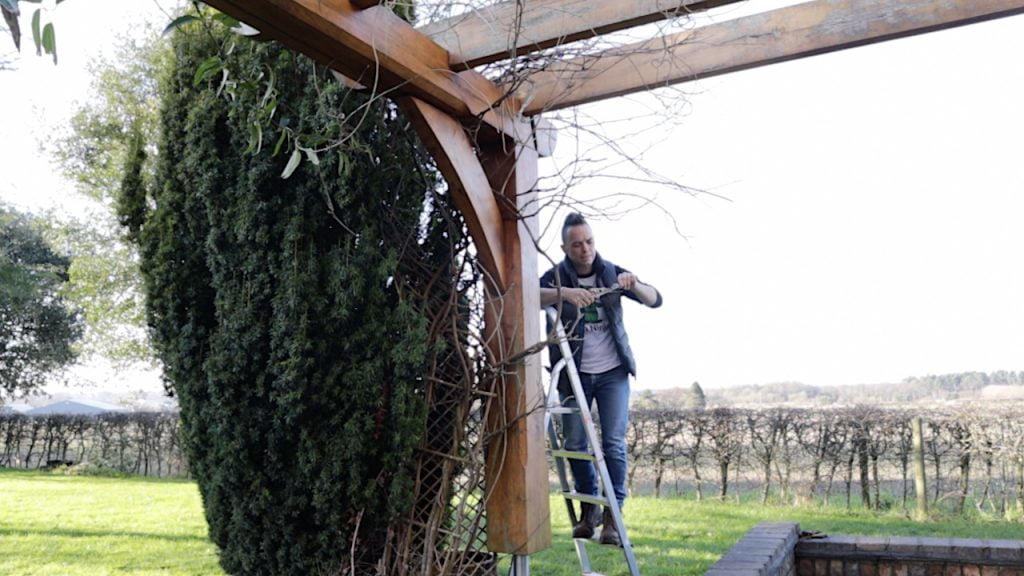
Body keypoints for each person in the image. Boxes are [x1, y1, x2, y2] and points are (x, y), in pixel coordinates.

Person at [539, 212, 662, 546]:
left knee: (613, 445)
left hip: (612, 373)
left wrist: (634, 283)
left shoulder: (611, 272)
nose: (585, 249)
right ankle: (588, 511)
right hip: (574, 377)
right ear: (565, 247)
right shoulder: (554, 277)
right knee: (577, 445)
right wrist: (565, 294)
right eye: (577, 244)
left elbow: (656, 299)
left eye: (589, 241)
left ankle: (612, 517)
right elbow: (529, 296)